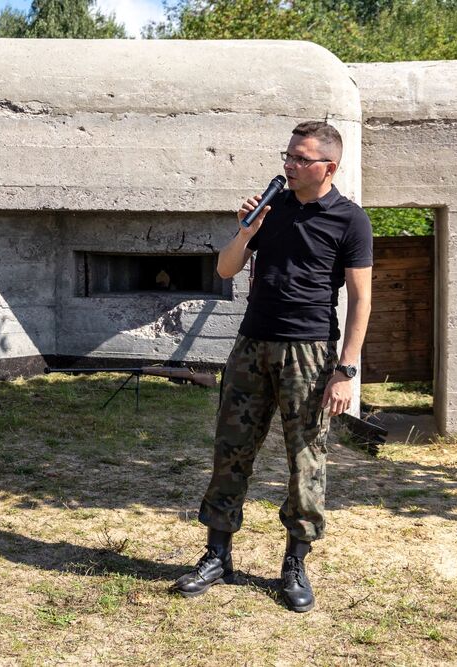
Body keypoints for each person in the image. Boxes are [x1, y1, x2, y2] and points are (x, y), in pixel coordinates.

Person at [172, 121, 373, 613]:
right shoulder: (271, 208)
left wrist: (345, 370)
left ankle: (295, 563)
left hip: (309, 353)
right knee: (231, 449)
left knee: (306, 458)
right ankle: (217, 555)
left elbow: (362, 299)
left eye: (301, 158)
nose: (290, 165)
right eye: (288, 155)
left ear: (329, 167)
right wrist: (247, 230)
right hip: (252, 345)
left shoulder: (350, 220)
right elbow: (225, 269)